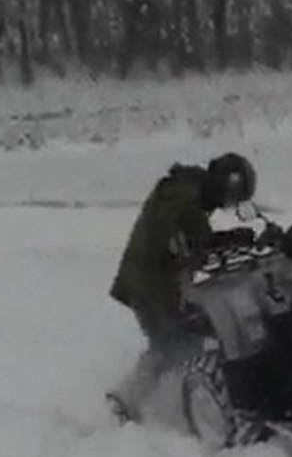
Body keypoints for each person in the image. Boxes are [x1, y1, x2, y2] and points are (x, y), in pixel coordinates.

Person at [106, 152, 258, 423]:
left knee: (180, 337)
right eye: (231, 199)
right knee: (169, 344)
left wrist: (225, 239)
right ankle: (128, 402)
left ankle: (147, 397)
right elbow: (186, 238)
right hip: (148, 281)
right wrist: (216, 242)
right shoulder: (184, 197)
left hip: (159, 279)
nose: (226, 205)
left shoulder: (190, 193)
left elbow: (196, 239)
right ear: (222, 187)